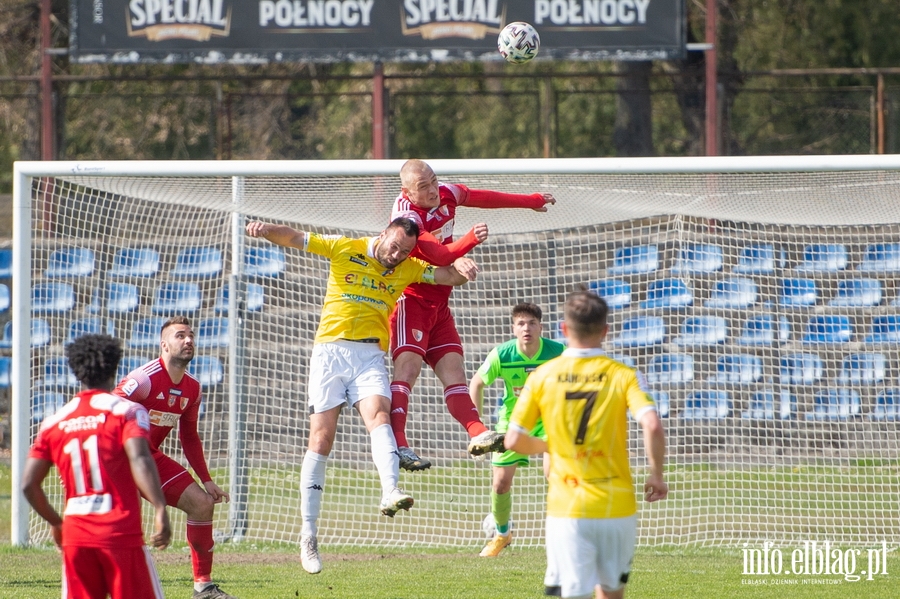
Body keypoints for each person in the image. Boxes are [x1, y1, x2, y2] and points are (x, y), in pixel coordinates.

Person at [246, 216, 477, 575]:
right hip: (330, 353)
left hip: (370, 356)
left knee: (379, 416)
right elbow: (296, 237)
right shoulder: (345, 247)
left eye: (403, 251)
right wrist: (266, 231)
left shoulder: (409, 266)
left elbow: (448, 277)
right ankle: (308, 533)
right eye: (393, 246)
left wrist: (459, 261)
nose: (395, 254)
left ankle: (390, 491)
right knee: (321, 440)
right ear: (383, 234)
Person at [388, 158, 557, 471]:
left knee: (455, 373)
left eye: (434, 181)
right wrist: (467, 243)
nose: (433, 190)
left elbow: (483, 197)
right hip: (411, 300)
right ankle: (398, 444)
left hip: (439, 305)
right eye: (423, 187)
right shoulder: (406, 216)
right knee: (407, 371)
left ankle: (478, 433)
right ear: (407, 192)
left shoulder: (445, 193)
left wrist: (530, 202)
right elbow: (438, 253)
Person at [505, 291, 668, 599]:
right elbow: (653, 424)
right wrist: (656, 474)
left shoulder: (542, 376)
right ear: (605, 330)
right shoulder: (625, 375)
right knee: (611, 592)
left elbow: (513, 440)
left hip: (568, 508)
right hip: (617, 507)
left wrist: (550, 445)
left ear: (564, 330)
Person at [22, 334, 171, 599]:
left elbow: (28, 484)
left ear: (76, 370)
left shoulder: (54, 422)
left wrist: (57, 523)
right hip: (120, 535)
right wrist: (160, 507)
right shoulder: (127, 412)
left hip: (77, 538)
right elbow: (139, 458)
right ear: (115, 367)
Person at [113, 317, 237, 599]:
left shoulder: (193, 389)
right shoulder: (143, 379)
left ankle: (203, 588)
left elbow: (189, 437)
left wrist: (207, 480)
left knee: (203, 504)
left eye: (191, 335)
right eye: (180, 336)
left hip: (148, 458)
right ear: (164, 345)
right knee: (123, 529)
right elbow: (107, 408)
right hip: (118, 459)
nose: (189, 340)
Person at [469, 302, 565, 558]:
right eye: (521, 323)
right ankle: (502, 534)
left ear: (541, 327)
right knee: (500, 484)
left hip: (549, 421)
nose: (527, 328)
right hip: (513, 423)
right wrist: (476, 427)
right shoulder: (502, 354)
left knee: (554, 477)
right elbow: (477, 383)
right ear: (513, 328)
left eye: (532, 323)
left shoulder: (559, 352)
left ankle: (567, 534)